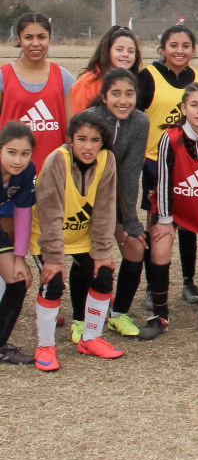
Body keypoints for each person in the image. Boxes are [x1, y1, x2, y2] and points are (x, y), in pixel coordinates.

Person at [30, 109, 124, 371]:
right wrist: (52, 259)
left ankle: (91, 338)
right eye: (81, 139)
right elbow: (49, 212)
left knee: (103, 274)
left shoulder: (107, 160)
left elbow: (105, 209)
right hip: (48, 236)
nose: (88, 146)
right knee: (54, 283)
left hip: (81, 235)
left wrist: (103, 252)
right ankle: (45, 346)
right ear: (70, 139)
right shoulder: (57, 160)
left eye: (95, 140)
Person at [139, 83, 198, 340]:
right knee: (159, 248)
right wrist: (166, 221)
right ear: (183, 109)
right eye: (194, 105)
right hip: (173, 207)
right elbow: (163, 180)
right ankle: (160, 315)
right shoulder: (170, 138)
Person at [136, 23, 198, 307]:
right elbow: (136, 118)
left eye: (185, 46)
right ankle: (154, 287)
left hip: (190, 162)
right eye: (173, 45)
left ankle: (189, 281)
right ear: (163, 47)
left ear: (193, 50)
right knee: (158, 226)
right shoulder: (148, 75)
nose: (180, 51)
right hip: (156, 162)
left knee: (189, 225)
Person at [90, 69, 149, 337]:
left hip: (115, 199)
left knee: (135, 248)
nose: (123, 100)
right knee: (90, 257)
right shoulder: (90, 119)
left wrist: (130, 222)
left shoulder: (140, 122)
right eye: (115, 94)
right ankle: (84, 317)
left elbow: (130, 174)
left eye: (129, 94)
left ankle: (118, 314)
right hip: (86, 200)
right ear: (104, 97)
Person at [0, 14, 75, 172]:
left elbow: (72, 131)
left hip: (53, 172)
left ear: (50, 38)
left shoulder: (63, 77)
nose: (35, 43)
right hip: (12, 171)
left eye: (41, 37)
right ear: (19, 40)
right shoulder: (3, 77)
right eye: (28, 37)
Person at [0, 121, 36, 364]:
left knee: (18, 278)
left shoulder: (27, 171)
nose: (18, 160)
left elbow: (23, 212)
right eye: (11, 152)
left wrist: (20, 258)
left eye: (25, 153)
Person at [70, 25, 141, 113]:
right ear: (107, 51)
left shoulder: (137, 82)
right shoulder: (87, 83)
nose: (125, 54)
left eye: (130, 51)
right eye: (119, 49)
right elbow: (75, 121)